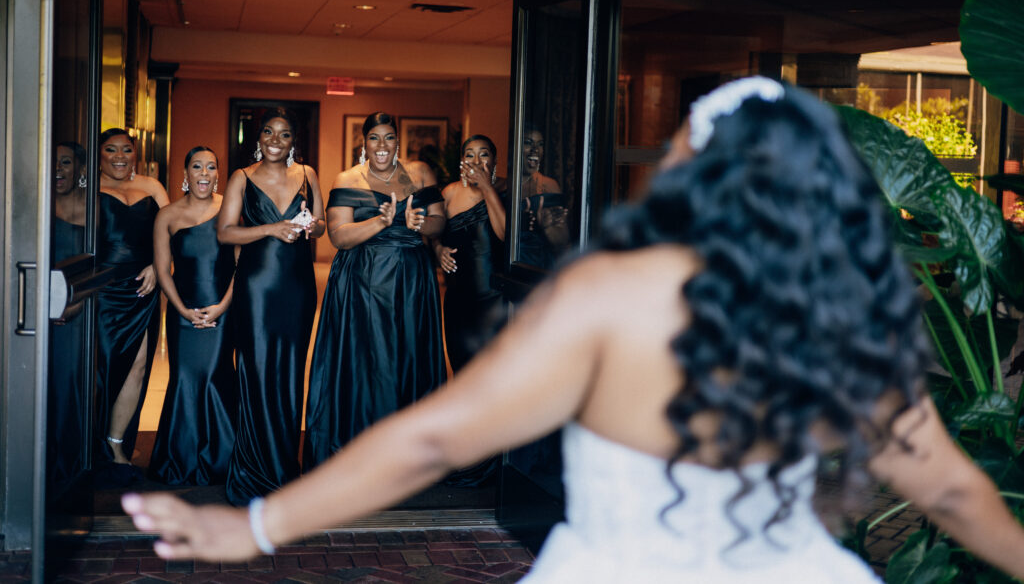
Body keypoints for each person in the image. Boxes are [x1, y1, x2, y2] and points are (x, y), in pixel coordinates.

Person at [124, 79, 1024, 582]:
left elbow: (435, 434)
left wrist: (258, 527)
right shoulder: (840, 321)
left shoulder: (606, 297)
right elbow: (951, 492)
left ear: (685, 172)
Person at [302, 111, 446, 470]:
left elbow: (441, 219)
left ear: (399, 141)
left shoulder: (420, 173)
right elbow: (338, 235)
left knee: (409, 356)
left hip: (412, 281)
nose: (382, 146)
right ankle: (364, 449)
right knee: (370, 360)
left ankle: (409, 453)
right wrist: (380, 221)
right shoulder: (347, 178)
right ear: (363, 143)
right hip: (362, 281)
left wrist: (421, 223)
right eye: (374, 138)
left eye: (389, 138)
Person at [217, 107, 325, 505]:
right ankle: (257, 471)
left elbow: (321, 223)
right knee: (260, 371)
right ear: (258, 138)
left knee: (290, 374)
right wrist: (270, 228)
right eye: (268, 133)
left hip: (297, 287)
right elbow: (225, 233)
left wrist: (313, 226)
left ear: (292, 141)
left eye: (283, 135)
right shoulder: (241, 178)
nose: (275, 141)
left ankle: (284, 467)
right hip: (258, 287)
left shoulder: (308, 174)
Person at [149, 146, 238, 486]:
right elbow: (162, 269)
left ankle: (220, 459)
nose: (204, 174)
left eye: (211, 167)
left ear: (219, 175)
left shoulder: (229, 210)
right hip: (182, 311)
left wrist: (223, 306)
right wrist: (182, 310)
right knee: (184, 379)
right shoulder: (167, 216)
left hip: (223, 310)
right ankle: (180, 459)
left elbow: (242, 266)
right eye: (197, 167)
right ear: (184, 175)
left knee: (216, 376)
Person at [95, 128, 169, 476]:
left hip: (143, 287)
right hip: (103, 289)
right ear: (100, 154)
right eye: (111, 150)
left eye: (127, 149)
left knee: (138, 366)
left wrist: (159, 265)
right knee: (101, 367)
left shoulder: (152, 187)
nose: (121, 156)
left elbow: (173, 232)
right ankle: (89, 444)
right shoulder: (89, 188)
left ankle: (116, 442)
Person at [434, 135, 508, 373]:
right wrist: (438, 249)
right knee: (461, 367)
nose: (476, 160)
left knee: (492, 370)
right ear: (462, 161)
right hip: (457, 298)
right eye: (470, 154)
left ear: (494, 161)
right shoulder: (449, 194)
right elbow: (433, 232)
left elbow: (505, 234)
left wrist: (487, 186)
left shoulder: (506, 189)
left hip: (494, 298)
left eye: (483, 154)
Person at [49, 141, 89, 492]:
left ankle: (69, 466)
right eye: (53, 162)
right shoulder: (38, 209)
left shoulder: (94, 211)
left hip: (81, 314)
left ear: (80, 170)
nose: (58, 169)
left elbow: (99, 266)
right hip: (39, 315)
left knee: (70, 387)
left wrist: (75, 304)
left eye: (65, 162)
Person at [519, 128, 567, 269]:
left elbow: (563, 239)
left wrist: (548, 228)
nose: (535, 149)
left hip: (541, 264)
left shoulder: (550, 185)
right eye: (528, 143)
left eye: (540, 144)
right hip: (511, 262)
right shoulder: (505, 186)